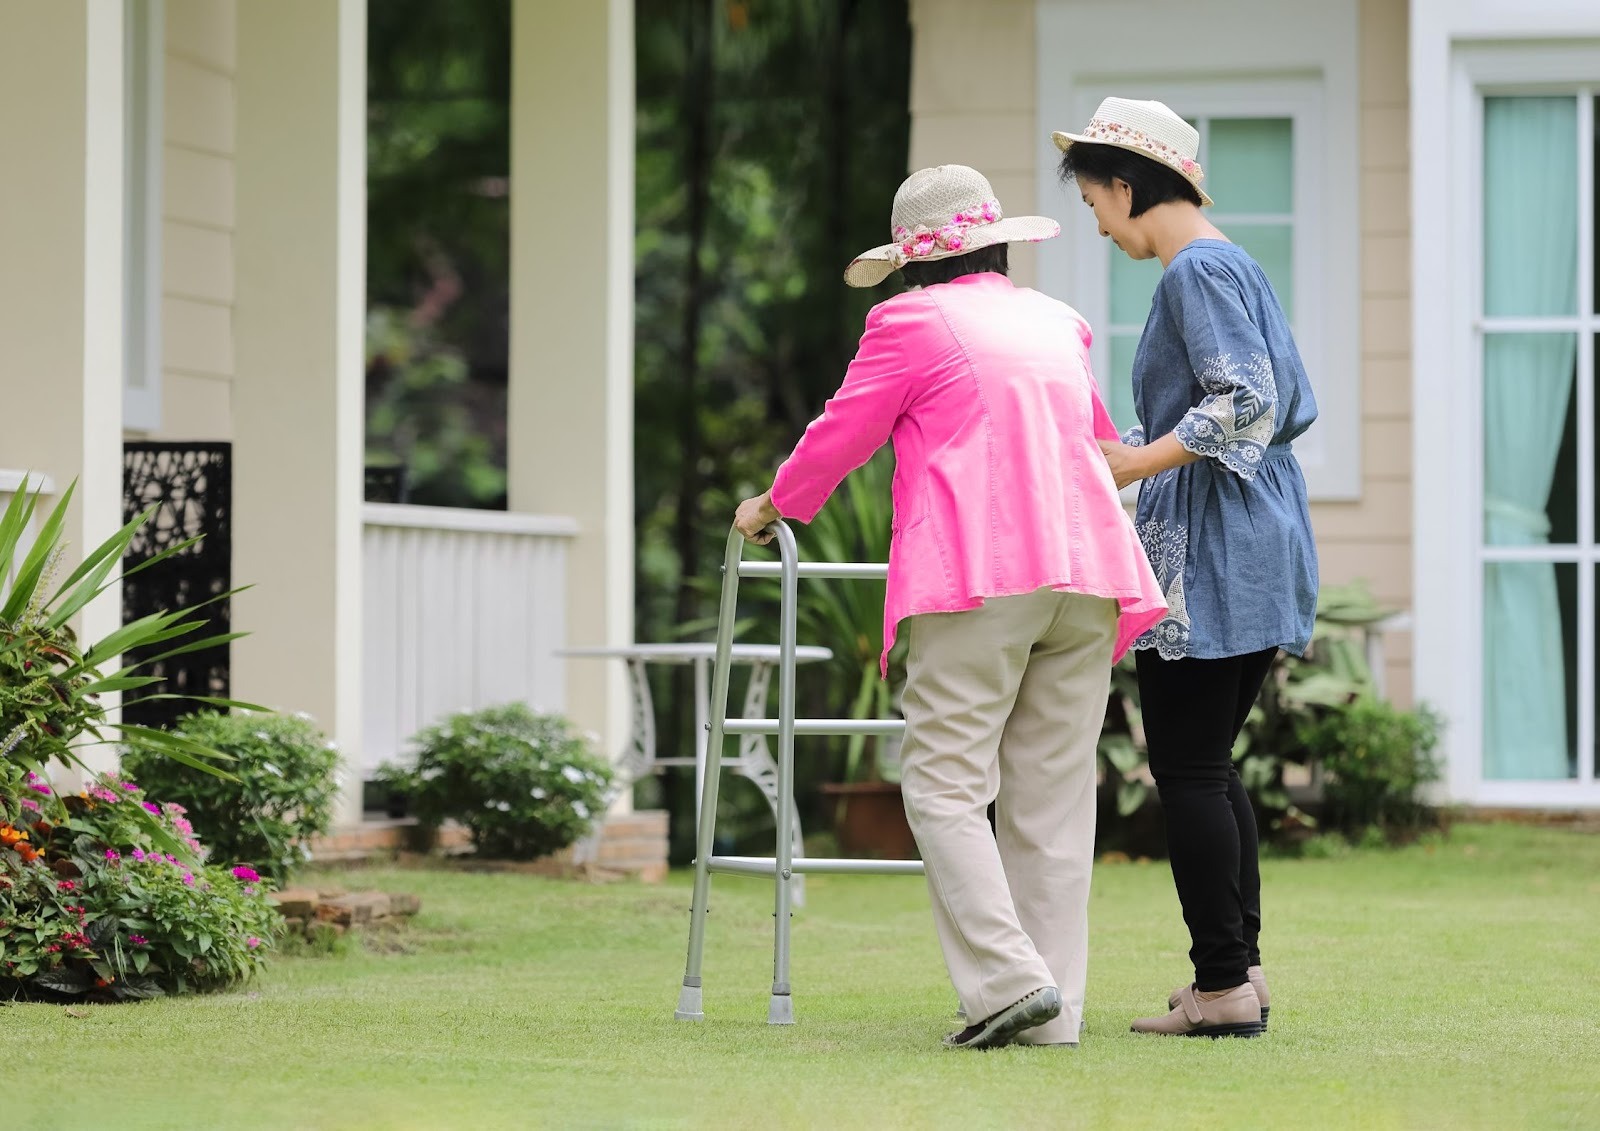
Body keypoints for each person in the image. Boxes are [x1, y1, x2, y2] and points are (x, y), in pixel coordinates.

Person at [732, 164, 1166, 1049]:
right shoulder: (1055, 322)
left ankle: (1010, 982)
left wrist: (772, 504)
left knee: (941, 782)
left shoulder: (908, 321)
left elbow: (843, 431)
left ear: (909, 262)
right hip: (1085, 572)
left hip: (982, 575)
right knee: (1051, 798)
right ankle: (1054, 1014)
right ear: (997, 242)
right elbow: (1099, 440)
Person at [1054, 98, 1320, 1038]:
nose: (1096, 221)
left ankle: (1222, 988)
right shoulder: (1232, 260)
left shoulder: (1192, 271)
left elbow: (1243, 398)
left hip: (1215, 547)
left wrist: (1133, 462)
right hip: (1258, 531)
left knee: (1190, 768)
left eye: (1093, 202)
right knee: (1211, 764)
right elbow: (1261, 402)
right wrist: (1125, 451)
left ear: (1127, 187)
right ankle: (1237, 970)